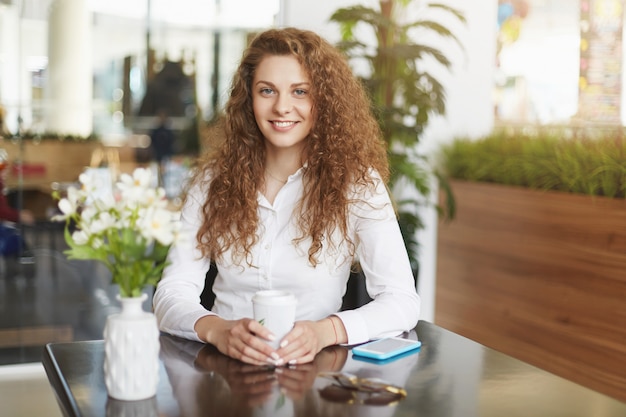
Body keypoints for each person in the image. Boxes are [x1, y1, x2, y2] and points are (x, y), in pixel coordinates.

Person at [153, 27, 420, 367]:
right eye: (267, 91)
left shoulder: (357, 184)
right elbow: (171, 292)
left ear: (322, 99)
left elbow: (401, 301)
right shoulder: (213, 180)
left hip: (312, 375)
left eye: (300, 92)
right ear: (248, 98)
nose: (282, 107)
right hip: (220, 371)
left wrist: (327, 331)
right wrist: (217, 330)